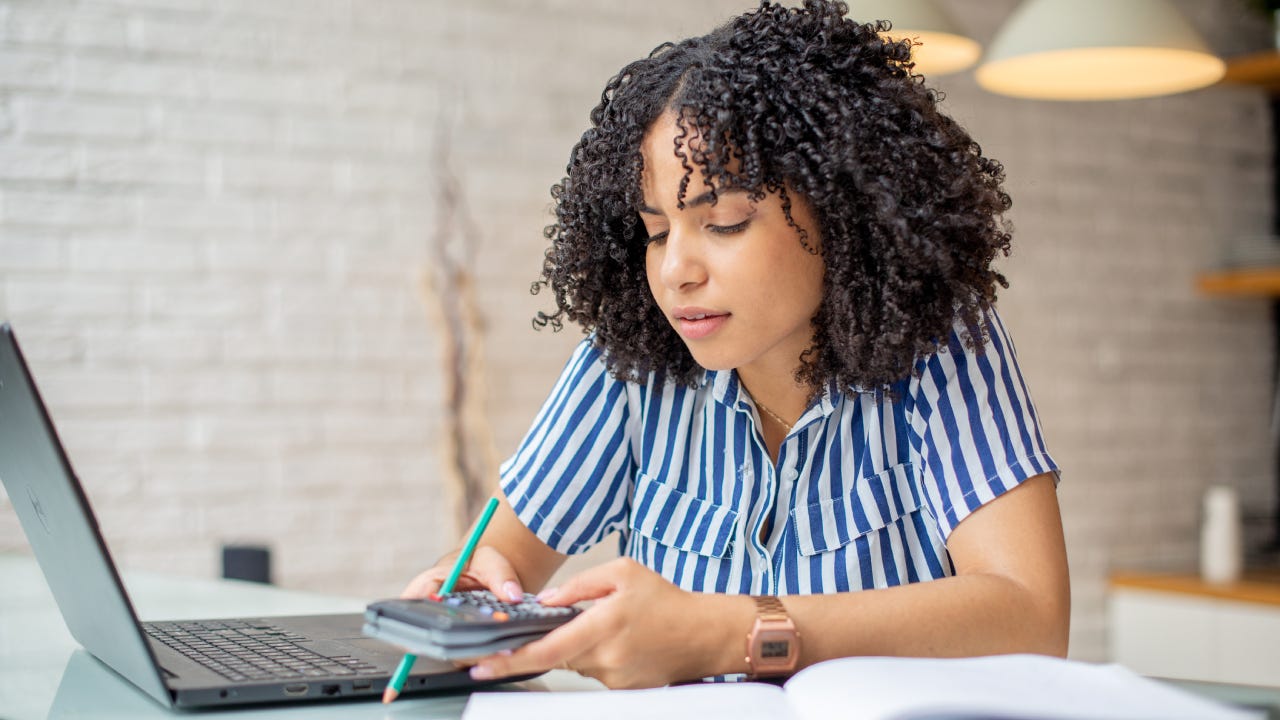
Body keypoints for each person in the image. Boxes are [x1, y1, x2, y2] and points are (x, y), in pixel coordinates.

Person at [402, 0, 1069, 689]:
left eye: (723, 221)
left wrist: (729, 632)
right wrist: (471, 599)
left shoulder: (941, 350)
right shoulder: (630, 368)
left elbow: (1031, 616)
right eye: (656, 232)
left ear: (844, 212)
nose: (674, 271)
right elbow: (497, 564)